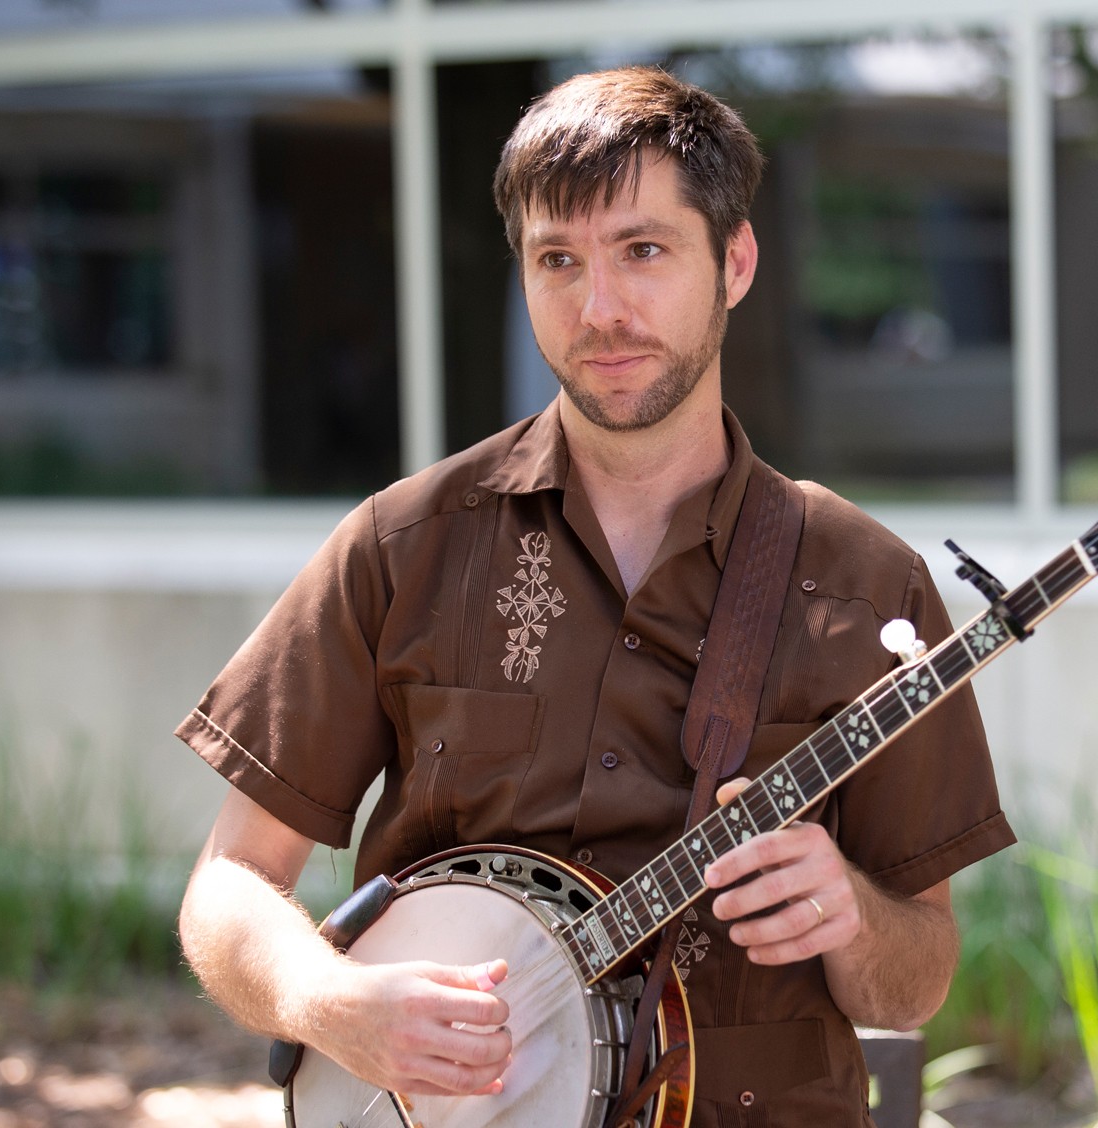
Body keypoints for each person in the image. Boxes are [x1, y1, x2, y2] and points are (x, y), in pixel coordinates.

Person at [176, 65, 1016, 1126]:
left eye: (644, 251)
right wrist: (326, 999)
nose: (601, 308)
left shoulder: (864, 585)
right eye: (558, 260)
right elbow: (231, 883)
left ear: (736, 261)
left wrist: (850, 914)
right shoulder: (404, 548)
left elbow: (919, 976)